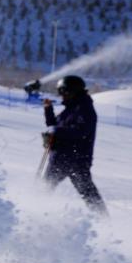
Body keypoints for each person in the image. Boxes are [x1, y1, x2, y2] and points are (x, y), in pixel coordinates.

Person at [42, 75, 107, 214]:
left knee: (87, 192)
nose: (60, 95)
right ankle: (36, 212)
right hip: (62, 157)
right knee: (46, 187)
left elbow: (81, 131)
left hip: (75, 159)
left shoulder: (84, 109)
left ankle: (104, 220)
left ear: (71, 91)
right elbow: (54, 125)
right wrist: (48, 110)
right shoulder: (71, 109)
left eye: (62, 92)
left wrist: (56, 131)